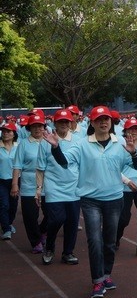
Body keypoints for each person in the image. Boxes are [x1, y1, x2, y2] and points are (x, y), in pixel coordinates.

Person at [43, 105, 137, 298]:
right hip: (90, 201)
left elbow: (135, 165)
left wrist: (133, 153)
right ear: (92, 123)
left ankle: (106, 275)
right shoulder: (82, 144)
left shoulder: (120, 142)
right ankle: (97, 281)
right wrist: (55, 148)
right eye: (99, 119)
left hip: (114, 199)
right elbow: (64, 162)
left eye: (107, 119)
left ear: (111, 123)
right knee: (95, 240)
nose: (104, 122)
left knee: (110, 242)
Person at [36, 109, 80, 265]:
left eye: (66, 122)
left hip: (74, 187)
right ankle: (49, 246)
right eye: (60, 122)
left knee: (72, 222)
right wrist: (39, 188)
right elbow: (40, 167)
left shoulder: (78, 140)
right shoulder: (45, 142)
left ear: (71, 123)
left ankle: (68, 252)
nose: (64, 124)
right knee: (56, 219)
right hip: (53, 187)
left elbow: (82, 165)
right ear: (54, 123)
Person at [11, 113, 48, 254]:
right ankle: (36, 241)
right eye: (34, 126)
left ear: (44, 127)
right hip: (28, 183)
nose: (37, 129)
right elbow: (17, 165)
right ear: (29, 128)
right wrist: (15, 184)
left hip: (47, 183)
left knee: (53, 213)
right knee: (30, 215)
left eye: (40, 126)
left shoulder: (48, 141)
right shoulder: (24, 144)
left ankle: (43, 230)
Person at [116, 118, 137, 257]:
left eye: (136, 129)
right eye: (130, 129)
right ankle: (115, 239)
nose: (134, 132)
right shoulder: (120, 147)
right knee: (124, 218)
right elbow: (114, 168)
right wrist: (126, 181)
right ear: (125, 131)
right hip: (125, 188)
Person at [0, 122, 19, 240]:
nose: (6, 133)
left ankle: (9, 222)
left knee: (13, 205)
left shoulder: (18, 146)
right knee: (4, 205)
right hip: (1, 180)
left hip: (16, 179)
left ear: (14, 134)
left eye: (8, 131)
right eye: (4, 131)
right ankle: (6, 229)